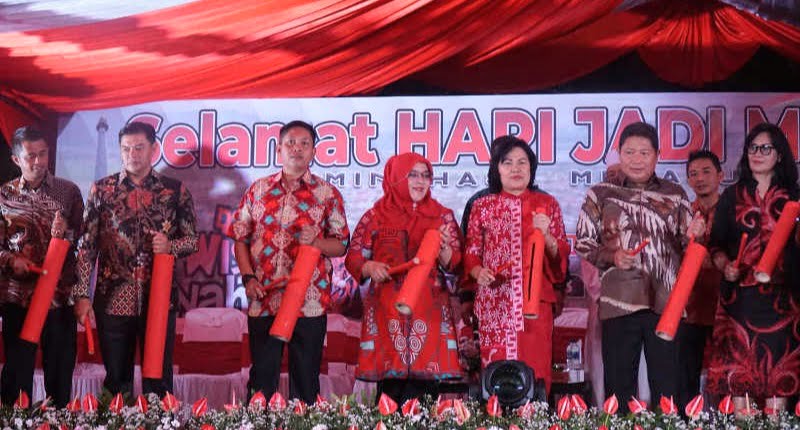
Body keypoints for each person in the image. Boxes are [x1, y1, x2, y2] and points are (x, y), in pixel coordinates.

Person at [575, 122, 703, 412]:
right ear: (619, 154)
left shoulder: (675, 194)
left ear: (657, 155)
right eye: (629, 152)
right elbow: (583, 242)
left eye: (644, 153)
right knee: (618, 390)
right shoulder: (600, 194)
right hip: (619, 302)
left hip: (666, 304)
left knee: (667, 389)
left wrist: (697, 233)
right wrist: (613, 256)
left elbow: (689, 246)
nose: (636, 159)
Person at [73, 121, 198, 396]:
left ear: (154, 149)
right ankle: (117, 418)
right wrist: (81, 294)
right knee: (117, 384)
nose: (132, 154)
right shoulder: (102, 190)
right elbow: (87, 246)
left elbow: (192, 241)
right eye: (126, 148)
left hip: (159, 300)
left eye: (139, 147)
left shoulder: (174, 191)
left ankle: (159, 419)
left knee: (158, 382)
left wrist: (170, 246)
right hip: (112, 300)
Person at [228, 120, 350, 403]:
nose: (297, 149)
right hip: (264, 297)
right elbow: (239, 238)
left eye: (305, 144)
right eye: (290, 143)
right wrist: (248, 278)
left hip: (309, 301)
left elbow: (341, 244)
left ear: (314, 152)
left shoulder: (327, 194)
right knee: (261, 380)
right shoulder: (258, 190)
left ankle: (304, 421)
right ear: (278, 150)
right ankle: (257, 422)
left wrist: (317, 243)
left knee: (306, 383)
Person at [345, 152, 463, 404]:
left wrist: (443, 249)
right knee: (391, 390)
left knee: (425, 392)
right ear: (397, 177)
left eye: (426, 175)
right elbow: (353, 258)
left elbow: (454, 264)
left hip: (428, 311)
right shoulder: (375, 216)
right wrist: (370, 267)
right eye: (413, 175)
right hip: (387, 310)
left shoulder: (441, 216)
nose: (421, 181)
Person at [464, 135, 570, 393]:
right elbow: (472, 252)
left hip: (534, 303)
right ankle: (495, 415)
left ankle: (535, 415)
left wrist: (547, 236)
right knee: (495, 373)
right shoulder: (481, 206)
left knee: (535, 370)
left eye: (522, 162)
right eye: (508, 162)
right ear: (497, 168)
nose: (516, 168)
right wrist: (478, 271)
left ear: (531, 168)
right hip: (494, 301)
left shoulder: (547, 204)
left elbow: (560, 259)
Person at [706, 123, 800, 413]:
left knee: (779, 379)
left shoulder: (794, 197)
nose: (757, 154)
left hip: (783, 303)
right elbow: (715, 246)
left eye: (765, 148)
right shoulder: (732, 196)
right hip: (739, 304)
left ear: (780, 155)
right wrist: (726, 266)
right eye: (752, 148)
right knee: (739, 379)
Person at [0, 126, 83, 407]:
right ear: (16, 160)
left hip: (58, 297)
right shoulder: (4, 195)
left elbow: (83, 241)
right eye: (31, 156)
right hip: (17, 298)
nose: (38, 161)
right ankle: (16, 422)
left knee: (59, 378)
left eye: (43, 153)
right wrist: (11, 260)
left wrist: (64, 233)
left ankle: (58, 422)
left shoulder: (68, 192)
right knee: (16, 376)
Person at [678, 150, 723, 407]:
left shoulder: (732, 212)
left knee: (726, 376)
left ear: (720, 175)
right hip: (689, 308)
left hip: (725, 307)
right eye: (693, 174)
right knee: (685, 378)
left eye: (706, 172)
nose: (700, 179)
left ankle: (727, 421)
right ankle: (685, 422)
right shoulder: (684, 214)